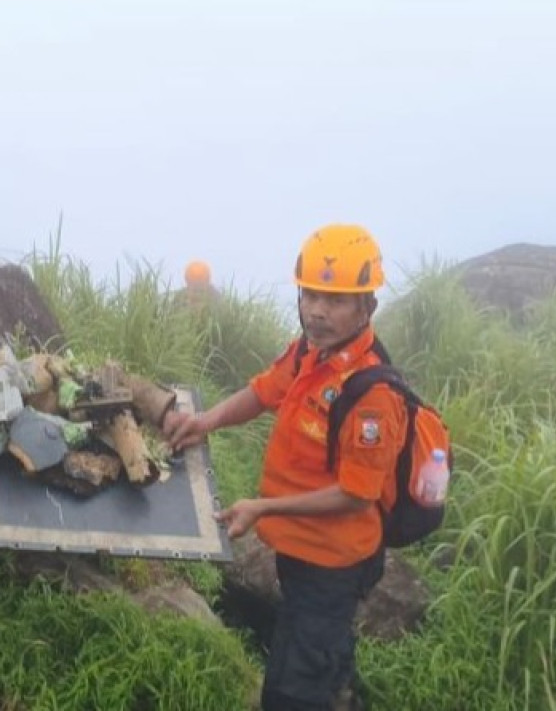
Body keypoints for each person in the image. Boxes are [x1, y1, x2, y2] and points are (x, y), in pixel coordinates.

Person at [164, 224, 403, 711]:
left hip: (333, 564)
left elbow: (356, 493)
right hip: (301, 553)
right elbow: (264, 389)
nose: (317, 309)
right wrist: (206, 421)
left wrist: (264, 506)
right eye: (311, 294)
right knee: (324, 658)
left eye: (335, 300)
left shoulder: (372, 395)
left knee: (291, 694)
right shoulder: (312, 352)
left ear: (367, 307)